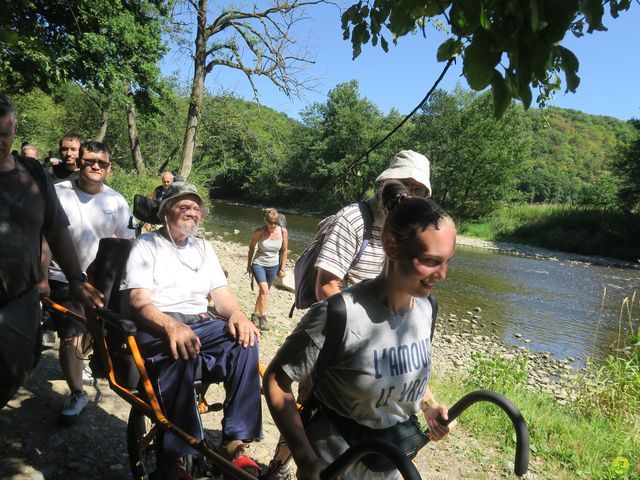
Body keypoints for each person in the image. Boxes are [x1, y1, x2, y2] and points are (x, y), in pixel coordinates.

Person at [264, 181, 456, 479]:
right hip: (334, 467)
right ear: (391, 246)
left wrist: (430, 407)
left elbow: (403, 371)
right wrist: (305, 458)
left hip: (387, 467)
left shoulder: (427, 308)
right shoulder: (339, 314)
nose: (441, 275)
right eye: (430, 261)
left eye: (447, 262)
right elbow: (276, 381)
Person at [120, 182, 262, 479]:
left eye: (196, 208)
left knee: (245, 342)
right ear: (165, 211)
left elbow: (221, 294)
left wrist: (237, 313)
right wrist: (172, 326)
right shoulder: (146, 245)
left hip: (200, 323)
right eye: (183, 206)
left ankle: (233, 442)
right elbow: (138, 300)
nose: (192, 212)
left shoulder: (204, 248)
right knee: (182, 347)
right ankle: (174, 459)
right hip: (158, 323)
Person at [0, 94, 104, 408]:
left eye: (4, 135)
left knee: (13, 373)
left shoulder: (31, 175)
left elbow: (57, 230)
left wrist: (76, 277)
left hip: (19, 298)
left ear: (14, 131)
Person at [45, 140, 133, 424]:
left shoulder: (117, 201)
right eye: (89, 160)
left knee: (99, 330)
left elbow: (126, 246)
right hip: (65, 276)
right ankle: (77, 392)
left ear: (109, 168)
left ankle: (85, 360)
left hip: (103, 280)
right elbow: (43, 238)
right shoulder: (58, 194)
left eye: (102, 163)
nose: (95, 166)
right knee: (71, 331)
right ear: (79, 162)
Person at [314, 150, 432, 301]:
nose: (409, 195)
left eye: (418, 190)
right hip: (346, 320)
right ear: (385, 182)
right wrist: (362, 323)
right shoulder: (352, 220)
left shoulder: (413, 229)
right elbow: (326, 287)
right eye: (405, 184)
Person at [247, 208, 288, 331]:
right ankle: (263, 317)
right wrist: (249, 264)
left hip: (273, 266)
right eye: (271, 222)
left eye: (275, 223)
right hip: (259, 263)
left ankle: (254, 314)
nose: (273, 225)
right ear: (266, 221)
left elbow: (285, 250)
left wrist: (283, 268)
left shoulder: (283, 232)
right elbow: (251, 247)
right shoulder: (259, 232)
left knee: (263, 292)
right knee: (265, 290)